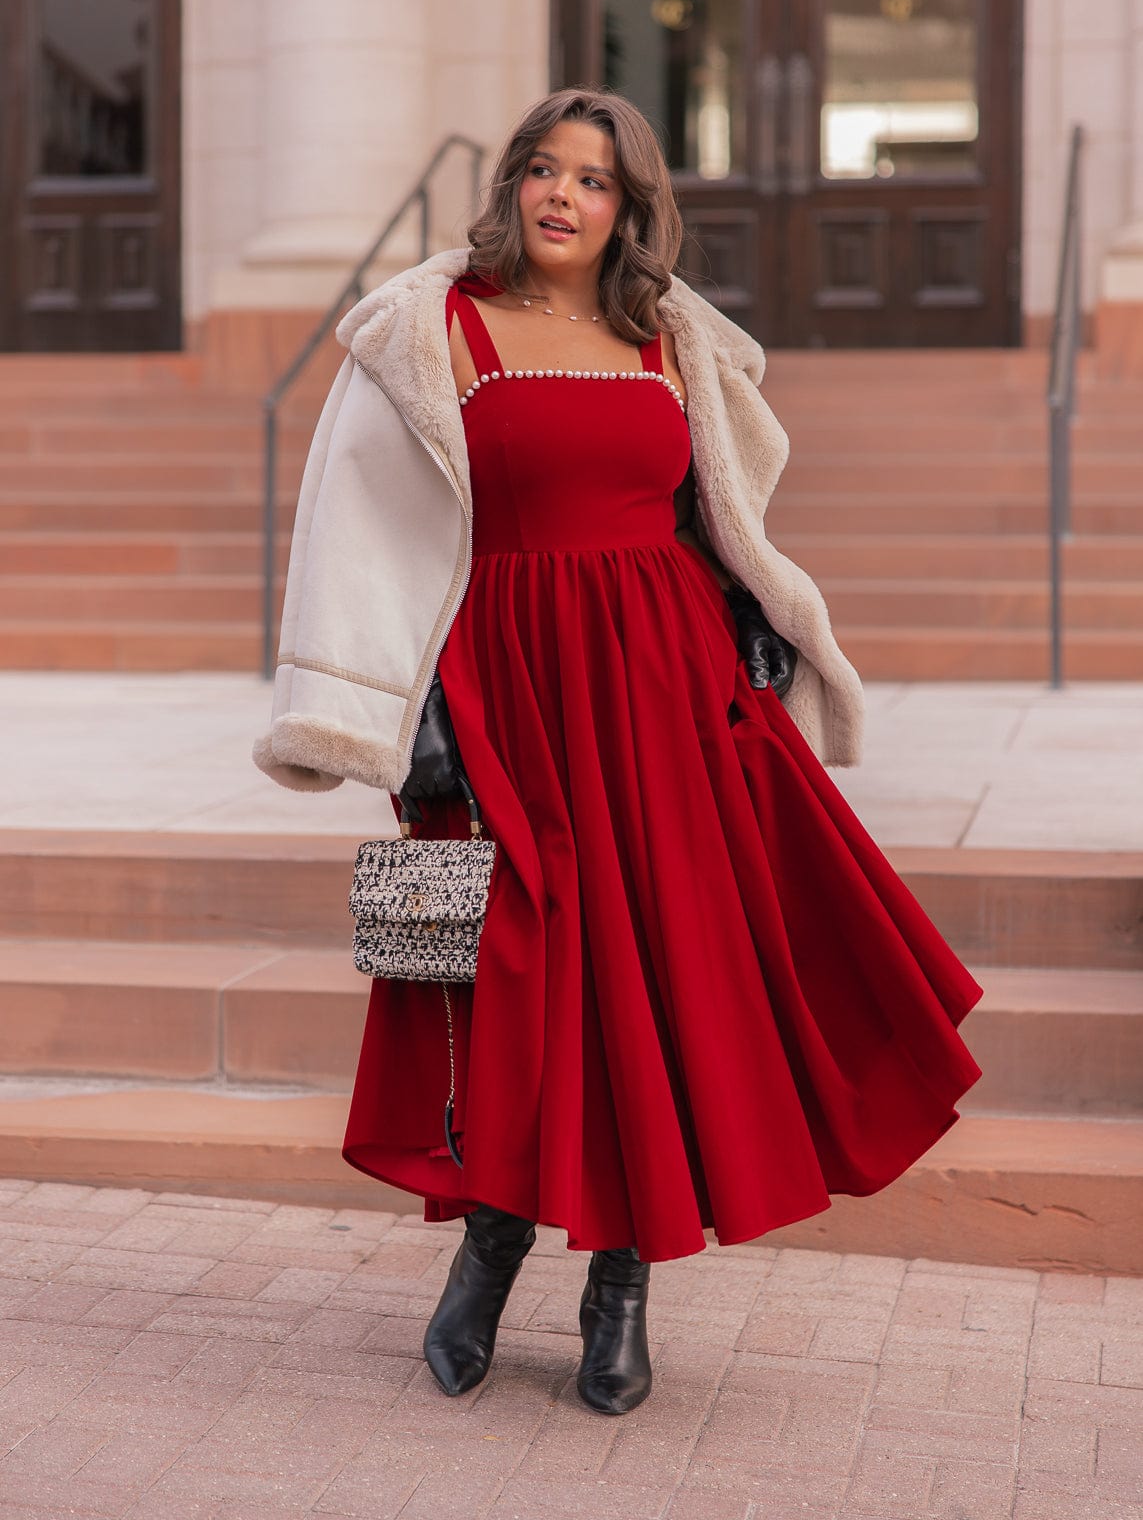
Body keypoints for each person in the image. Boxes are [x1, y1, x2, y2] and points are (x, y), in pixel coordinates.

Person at [254, 86, 982, 1416]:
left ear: (630, 208)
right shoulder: (429, 323)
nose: (562, 195)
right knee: (508, 974)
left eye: (593, 180)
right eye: (543, 168)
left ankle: (621, 1285)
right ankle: (487, 1246)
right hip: (500, 690)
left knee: (655, 976)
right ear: (512, 183)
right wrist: (408, 718)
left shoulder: (671, 335)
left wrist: (751, 620)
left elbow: (716, 511)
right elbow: (356, 533)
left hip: (667, 693)